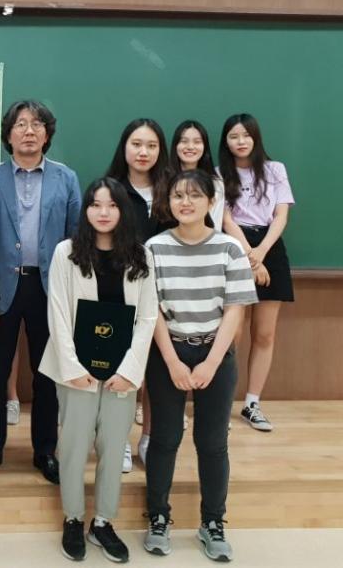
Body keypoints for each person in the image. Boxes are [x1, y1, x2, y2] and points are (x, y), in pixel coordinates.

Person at [39, 178, 157, 563]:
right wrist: (72, 367)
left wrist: (131, 370)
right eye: (95, 204)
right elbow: (57, 313)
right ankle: (73, 518)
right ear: (85, 210)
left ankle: (103, 522)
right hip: (76, 370)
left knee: (113, 444)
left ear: (124, 211)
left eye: (112, 205)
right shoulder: (67, 252)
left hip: (122, 372)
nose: (103, 212)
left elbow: (147, 318)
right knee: (74, 446)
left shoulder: (142, 256)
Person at [143, 169, 257, 562]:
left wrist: (210, 362)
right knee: (164, 439)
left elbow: (235, 310)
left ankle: (212, 522)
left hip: (215, 354)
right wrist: (172, 361)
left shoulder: (230, 248)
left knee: (212, 443)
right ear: (167, 202)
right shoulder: (154, 248)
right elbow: (152, 310)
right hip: (168, 353)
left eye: (194, 195)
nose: (185, 202)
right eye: (178, 195)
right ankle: (158, 517)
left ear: (211, 202)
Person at [0, 99, 81, 483]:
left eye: (37, 124)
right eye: (20, 124)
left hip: (49, 287)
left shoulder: (66, 178)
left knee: (47, 373)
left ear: (47, 134)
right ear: (9, 134)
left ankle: (45, 451)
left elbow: (75, 236)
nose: (29, 131)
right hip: (0, 288)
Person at [218, 113, 295, 432]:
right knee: (232, 334)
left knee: (264, 334)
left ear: (256, 137)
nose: (241, 141)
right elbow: (225, 219)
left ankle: (252, 403)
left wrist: (261, 252)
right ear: (226, 141)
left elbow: (281, 216)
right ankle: (222, 405)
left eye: (246, 135)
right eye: (234, 136)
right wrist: (250, 256)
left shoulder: (275, 170)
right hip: (234, 246)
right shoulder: (219, 174)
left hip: (269, 247)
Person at [106, 117, 172, 469]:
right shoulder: (111, 189)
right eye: (136, 144)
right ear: (125, 147)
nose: (143, 152)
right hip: (120, 292)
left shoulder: (174, 189)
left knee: (157, 372)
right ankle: (119, 441)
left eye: (151, 145)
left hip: (164, 293)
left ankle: (149, 437)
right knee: (124, 367)